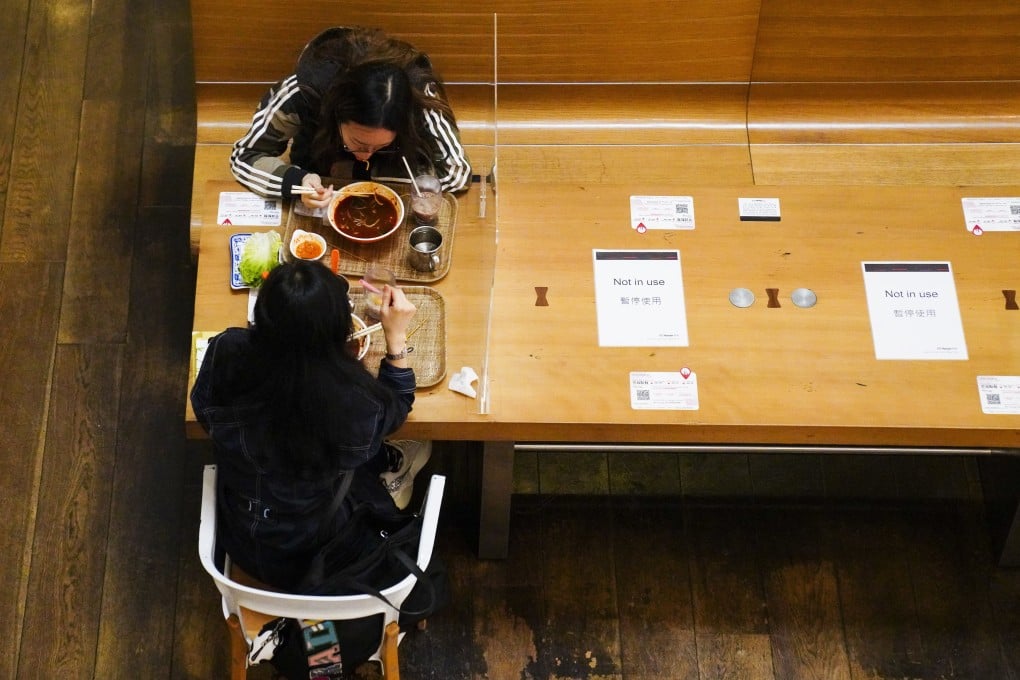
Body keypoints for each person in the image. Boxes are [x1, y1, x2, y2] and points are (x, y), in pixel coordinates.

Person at [190, 261, 432, 590]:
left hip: (242, 538)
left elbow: (203, 411)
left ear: (262, 315)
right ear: (339, 330)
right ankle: (391, 477)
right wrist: (396, 337)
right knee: (365, 470)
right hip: (320, 556)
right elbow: (398, 409)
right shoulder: (353, 400)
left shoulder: (227, 350)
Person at [230, 26, 471, 211]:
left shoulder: (420, 97)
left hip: (396, 173)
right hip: (320, 175)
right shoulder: (302, 92)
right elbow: (244, 156)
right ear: (337, 113)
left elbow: (457, 173)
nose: (366, 154)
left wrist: (404, 188)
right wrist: (297, 181)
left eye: (380, 145)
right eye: (358, 143)